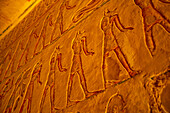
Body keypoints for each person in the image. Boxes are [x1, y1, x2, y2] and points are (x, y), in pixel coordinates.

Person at [101, 9, 138, 88]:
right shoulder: (105, 20)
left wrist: (126, 29)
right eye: (107, 12)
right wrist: (109, 20)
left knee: (118, 54)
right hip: (108, 40)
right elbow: (104, 28)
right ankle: (106, 81)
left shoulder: (111, 18)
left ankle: (129, 71)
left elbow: (121, 28)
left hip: (111, 38)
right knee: (107, 58)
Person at [66, 31, 97, 107]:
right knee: (72, 78)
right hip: (76, 59)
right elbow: (74, 48)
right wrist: (79, 40)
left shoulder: (80, 41)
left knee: (80, 76)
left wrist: (89, 53)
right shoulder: (76, 42)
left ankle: (86, 93)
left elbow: (85, 51)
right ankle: (68, 99)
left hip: (78, 59)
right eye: (81, 34)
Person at [39, 47, 67, 113]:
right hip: (52, 75)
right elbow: (59, 67)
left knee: (46, 91)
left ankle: (41, 106)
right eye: (59, 49)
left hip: (50, 74)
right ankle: (52, 108)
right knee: (51, 91)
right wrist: (63, 69)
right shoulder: (57, 55)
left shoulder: (52, 56)